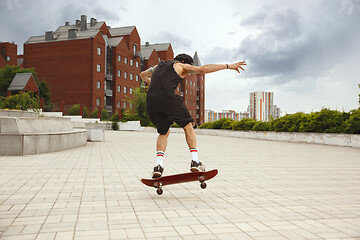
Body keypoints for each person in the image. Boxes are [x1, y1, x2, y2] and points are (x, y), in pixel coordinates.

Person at [140, 54, 246, 178]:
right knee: (188, 126)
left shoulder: (159, 66)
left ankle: (158, 165)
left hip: (152, 102)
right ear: (184, 62)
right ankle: (195, 161)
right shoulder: (181, 65)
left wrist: (149, 81)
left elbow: (142, 74)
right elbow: (203, 69)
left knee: (163, 132)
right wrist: (228, 66)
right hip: (168, 99)